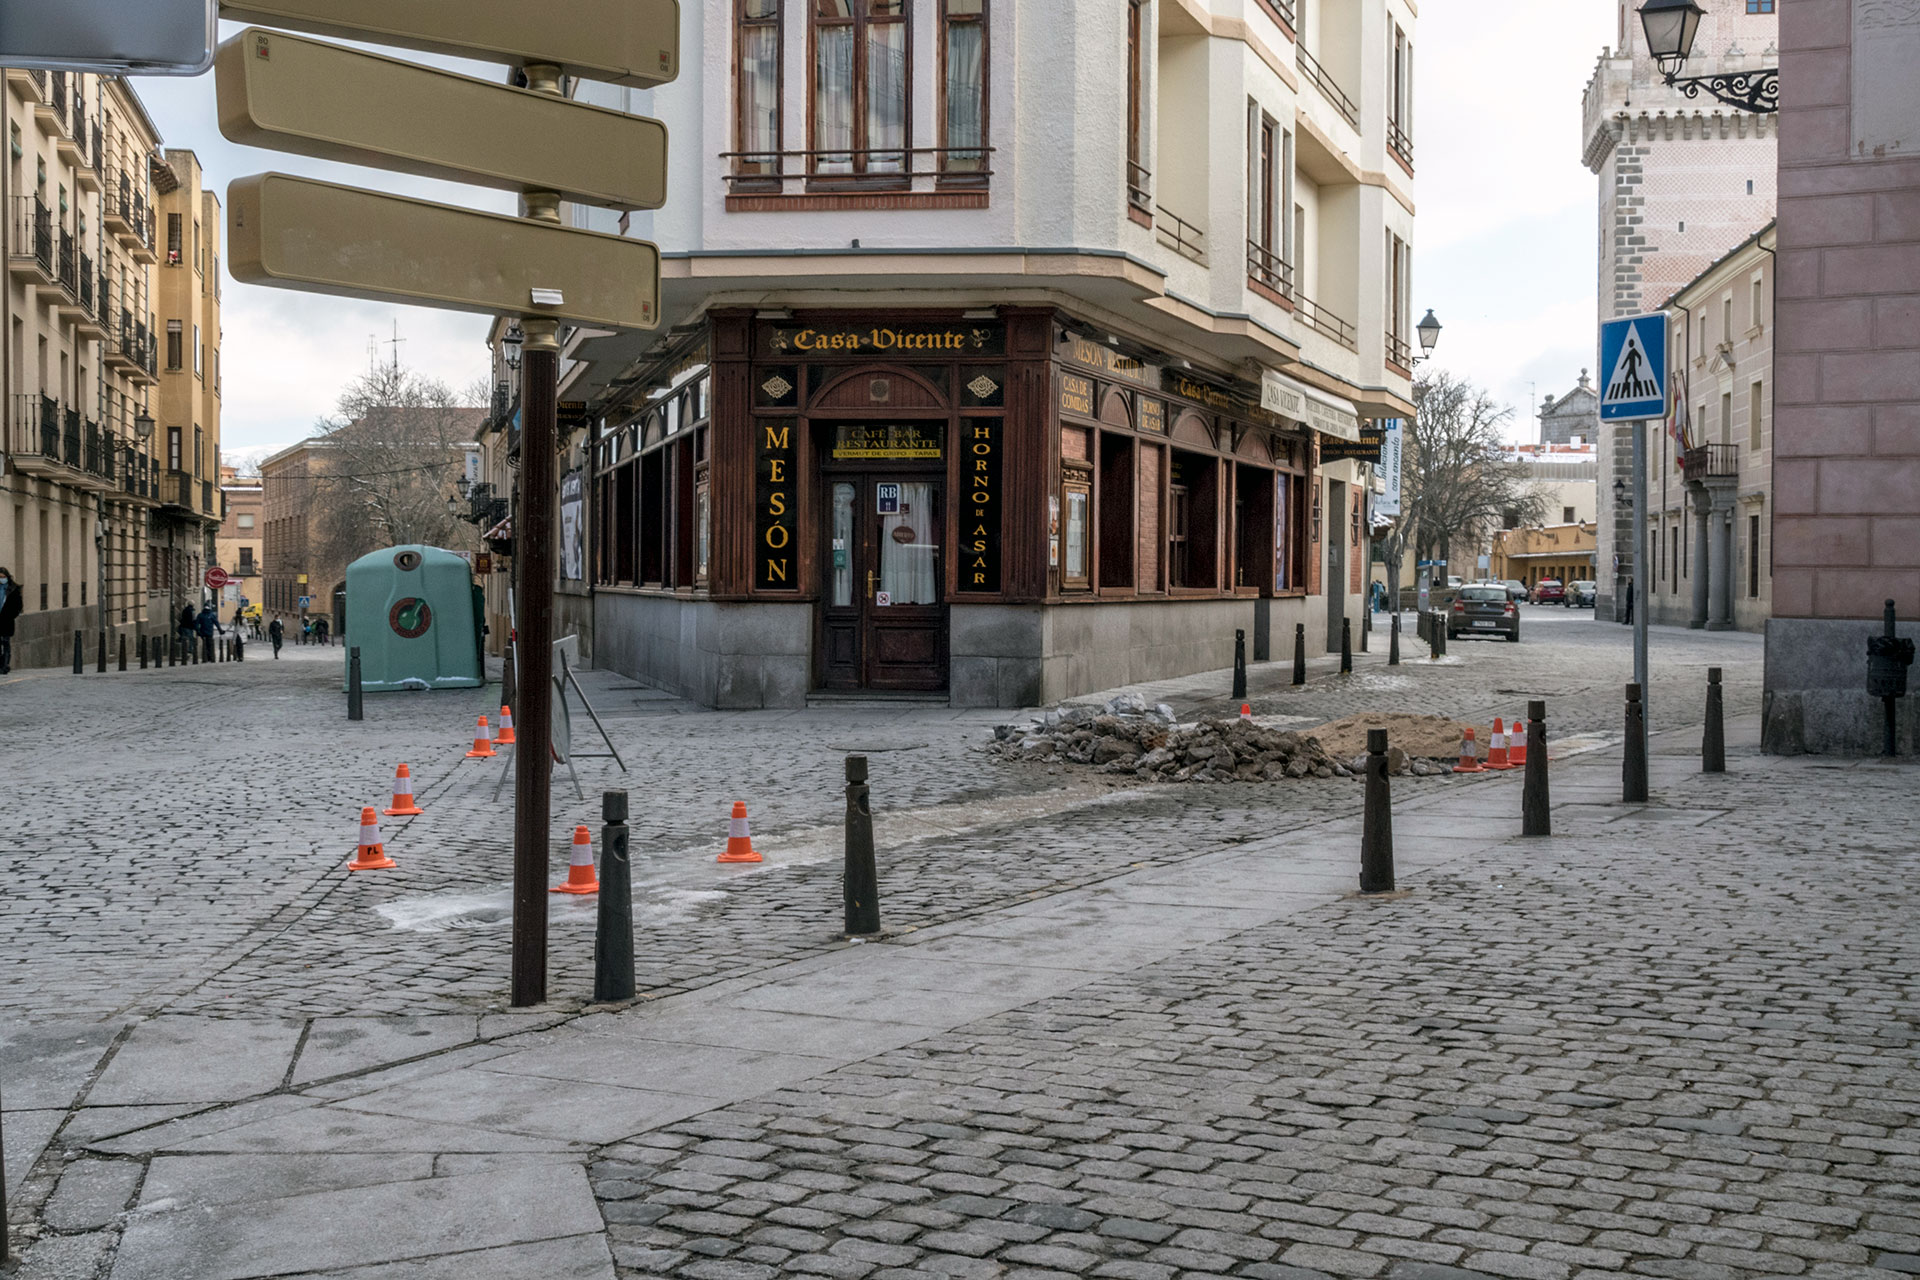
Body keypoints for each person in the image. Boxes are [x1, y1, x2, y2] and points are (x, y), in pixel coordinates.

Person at [0, 567, 20, 675]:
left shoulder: (13, 589)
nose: (2, 579)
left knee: (6, 643)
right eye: (0, 577)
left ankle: (5, 665)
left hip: (6, 620)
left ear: (7, 577)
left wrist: (10, 615)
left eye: (3, 577)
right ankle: (0, 664)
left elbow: (18, 606)